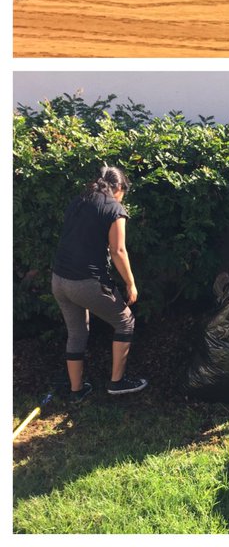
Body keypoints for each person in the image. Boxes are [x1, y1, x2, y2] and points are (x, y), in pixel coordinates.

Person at [50, 165, 148, 399]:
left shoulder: (80, 200)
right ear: (119, 187)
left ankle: (76, 390)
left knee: (76, 332)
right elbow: (119, 250)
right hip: (86, 283)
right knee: (125, 322)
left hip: (59, 280)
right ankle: (117, 382)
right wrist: (131, 283)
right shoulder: (114, 208)